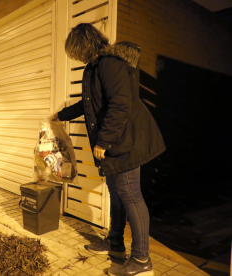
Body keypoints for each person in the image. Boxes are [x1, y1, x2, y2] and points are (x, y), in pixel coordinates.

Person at [52, 23, 165, 276]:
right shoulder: (95, 66)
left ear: (82, 45)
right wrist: (61, 115)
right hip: (119, 139)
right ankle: (115, 244)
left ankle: (142, 261)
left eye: (74, 51)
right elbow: (90, 102)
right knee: (117, 192)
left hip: (126, 140)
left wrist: (104, 141)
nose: (75, 57)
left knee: (131, 194)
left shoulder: (109, 63)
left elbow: (120, 105)